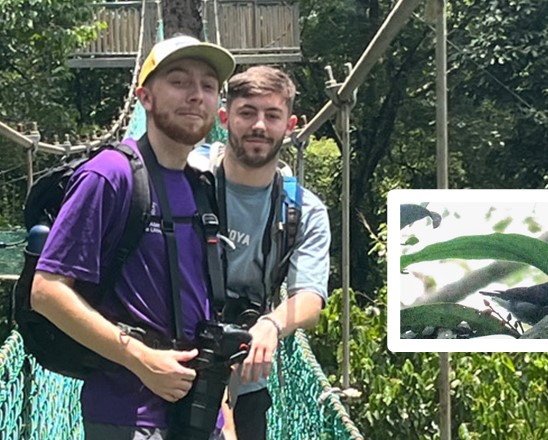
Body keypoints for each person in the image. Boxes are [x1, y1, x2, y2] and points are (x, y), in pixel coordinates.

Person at [30, 35, 235, 439]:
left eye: (208, 86)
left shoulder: (202, 187)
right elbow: (46, 291)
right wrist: (141, 359)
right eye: (178, 82)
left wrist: (223, 420)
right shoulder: (111, 174)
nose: (196, 96)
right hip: (129, 416)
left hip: (200, 417)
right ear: (144, 97)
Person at [216, 66, 331, 439]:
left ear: (291, 124)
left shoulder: (303, 209)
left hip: (248, 372)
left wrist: (270, 324)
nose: (259, 126)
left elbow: (310, 299)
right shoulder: (188, 180)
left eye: (272, 115)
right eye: (247, 112)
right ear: (225, 118)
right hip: (172, 366)